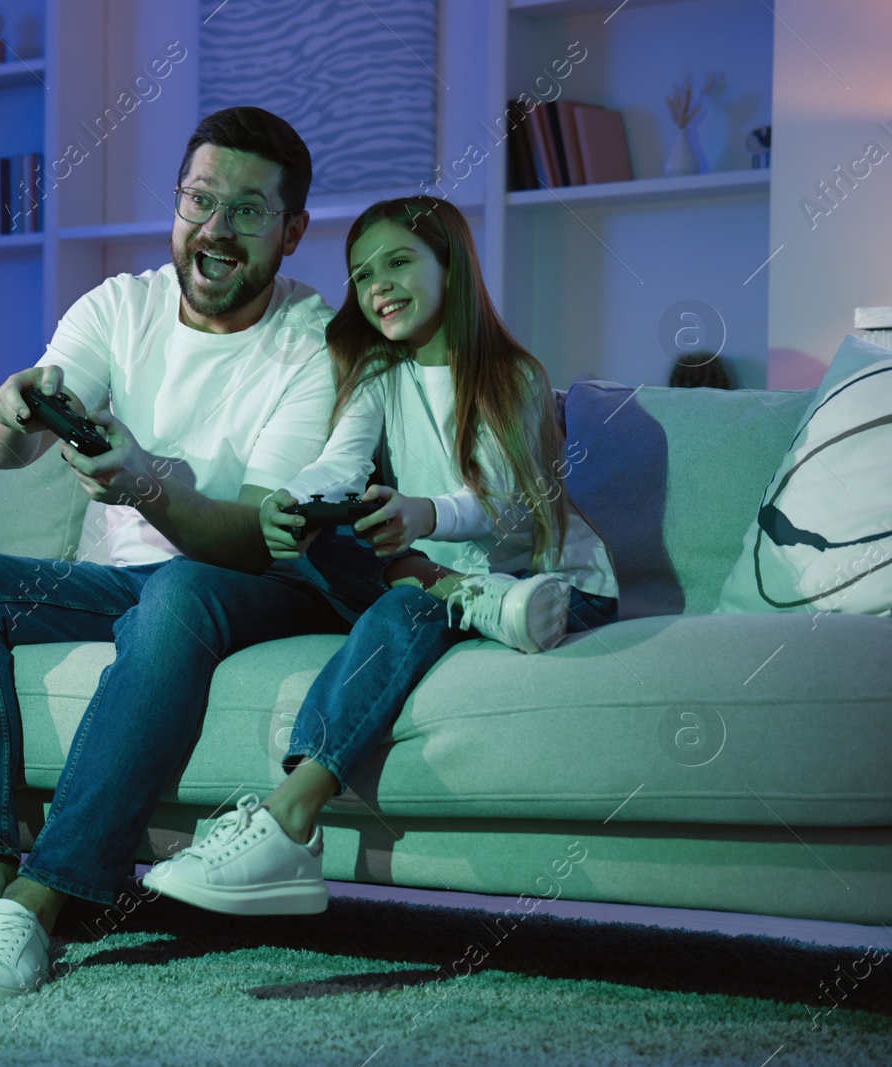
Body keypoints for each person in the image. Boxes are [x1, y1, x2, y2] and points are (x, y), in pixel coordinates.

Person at [0, 107, 357, 999]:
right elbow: (8, 449)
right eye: (199, 199)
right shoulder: (120, 304)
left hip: (261, 579)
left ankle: (39, 907)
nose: (215, 230)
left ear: (293, 231)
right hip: (129, 581)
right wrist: (14, 405)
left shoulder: (316, 345)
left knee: (180, 591)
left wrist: (147, 484)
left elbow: (261, 533)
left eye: (248, 211)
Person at [142, 196, 619, 916]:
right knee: (334, 541)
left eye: (398, 261)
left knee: (406, 595)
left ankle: (289, 818)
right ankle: (470, 598)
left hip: (550, 578)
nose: (378, 286)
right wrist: (289, 501)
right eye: (362, 275)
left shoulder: (509, 373)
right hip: (439, 574)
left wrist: (422, 512)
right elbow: (338, 463)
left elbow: (509, 506)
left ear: (450, 267)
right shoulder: (378, 376)